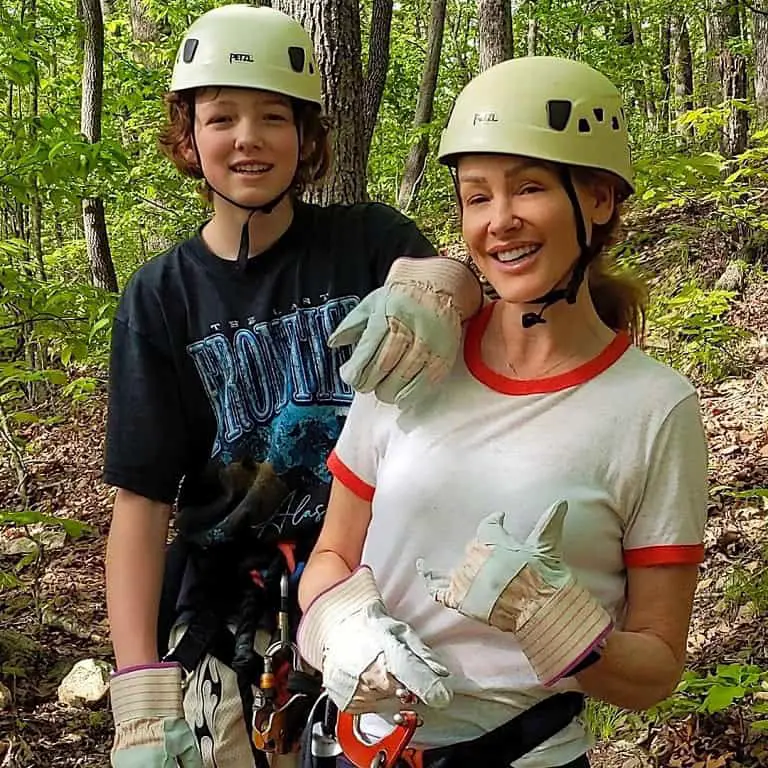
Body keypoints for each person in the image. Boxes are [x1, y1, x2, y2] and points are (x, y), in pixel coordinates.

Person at [297, 56, 708, 768]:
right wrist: (341, 630)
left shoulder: (654, 410)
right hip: (358, 750)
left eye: (529, 188)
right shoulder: (413, 354)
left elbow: (657, 667)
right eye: (476, 196)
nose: (500, 221)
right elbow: (332, 555)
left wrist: (559, 624)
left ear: (601, 198)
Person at [103, 5, 483, 768]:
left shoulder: (368, 242)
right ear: (190, 137)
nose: (248, 138)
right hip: (233, 607)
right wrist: (139, 693)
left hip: (380, 586)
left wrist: (442, 286)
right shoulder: (162, 296)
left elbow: (455, 285)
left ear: (306, 137)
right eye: (222, 118)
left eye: (273, 117)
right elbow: (141, 501)